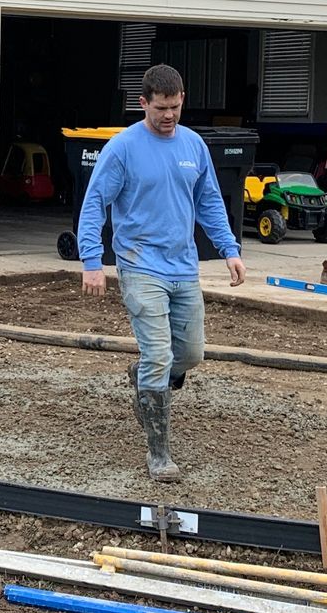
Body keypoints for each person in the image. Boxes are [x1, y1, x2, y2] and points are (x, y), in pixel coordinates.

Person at [77, 64, 247, 481]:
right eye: (159, 109)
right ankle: (159, 453)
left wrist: (229, 249)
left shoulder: (194, 146)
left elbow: (209, 201)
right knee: (157, 352)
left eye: (174, 107)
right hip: (139, 264)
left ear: (182, 99)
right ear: (143, 104)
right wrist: (92, 261)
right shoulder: (123, 148)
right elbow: (95, 202)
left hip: (183, 266)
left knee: (190, 354)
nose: (168, 116)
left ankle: (144, 379)